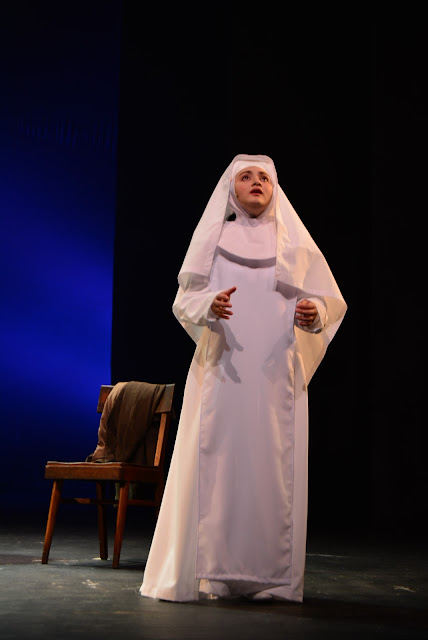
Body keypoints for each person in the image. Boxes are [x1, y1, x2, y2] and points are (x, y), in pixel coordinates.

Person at [140, 154, 347, 603]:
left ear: (275, 189)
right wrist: (208, 305)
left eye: (264, 177)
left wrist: (314, 313)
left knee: (272, 472)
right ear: (230, 190)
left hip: (275, 380)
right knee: (220, 466)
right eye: (246, 176)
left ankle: (273, 581)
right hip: (223, 371)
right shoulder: (214, 240)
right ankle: (212, 575)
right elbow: (184, 301)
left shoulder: (295, 244)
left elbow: (329, 302)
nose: (256, 182)